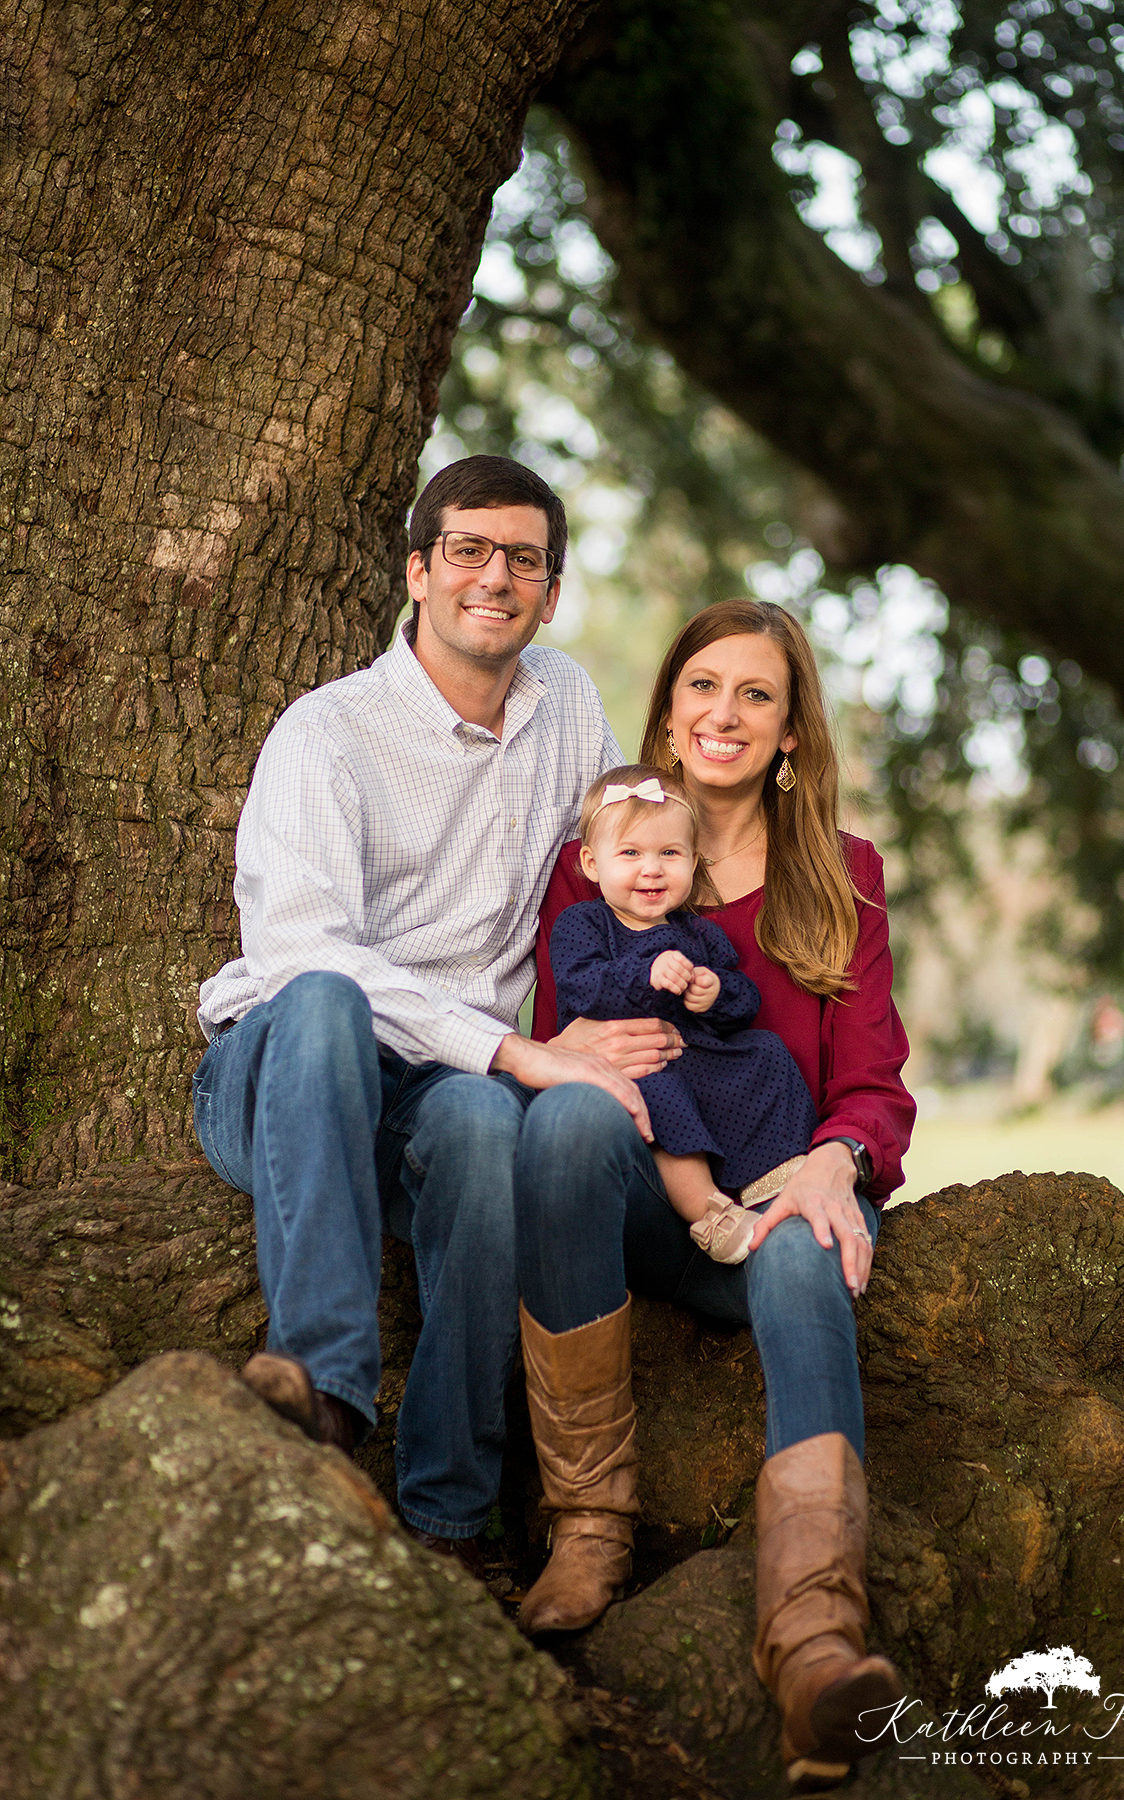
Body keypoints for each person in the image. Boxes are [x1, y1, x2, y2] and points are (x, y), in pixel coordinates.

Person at [191, 455, 668, 1576]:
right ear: (418, 570)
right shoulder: (329, 732)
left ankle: (449, 1519)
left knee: (483, 1128)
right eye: (467, 550)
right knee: (320, 1001)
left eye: (524, 559)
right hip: (284, 1076)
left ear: (550, 592)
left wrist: (607, 1016)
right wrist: (517, 1049)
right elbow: (303, 949)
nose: (493, 577)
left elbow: (618, 876)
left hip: (443, 1089)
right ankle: (322, 1391)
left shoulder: (570, 709)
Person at [518, 599, 916, 1794]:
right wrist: (588, 1047)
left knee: (799, 1247)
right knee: (571, 1116)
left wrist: (839, 1160)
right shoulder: (589, 865)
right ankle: (588, 1528)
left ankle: (813, 1642)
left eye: (756, 694)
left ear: (792, 733)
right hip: (640, 1198)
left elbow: (876, 1085)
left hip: (782, 1191)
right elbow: (559, 1039)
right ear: (669, 709)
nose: (724, 714)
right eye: (703, 687)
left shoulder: (840, 875)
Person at [549, 764, 818, 1264]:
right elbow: (582, 988)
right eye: (630, 853)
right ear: (591, 862)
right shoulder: (584, 924)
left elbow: (744, 1002)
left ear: (693, 862)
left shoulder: (696, 933)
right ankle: (709, 1214)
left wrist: (713, 993)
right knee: (658, 1090)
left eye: (669, 853)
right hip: (630, 1065)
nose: (651, 869)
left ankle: (777, 1174)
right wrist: (645, 975)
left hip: (697, 1055)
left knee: (765, 1051)